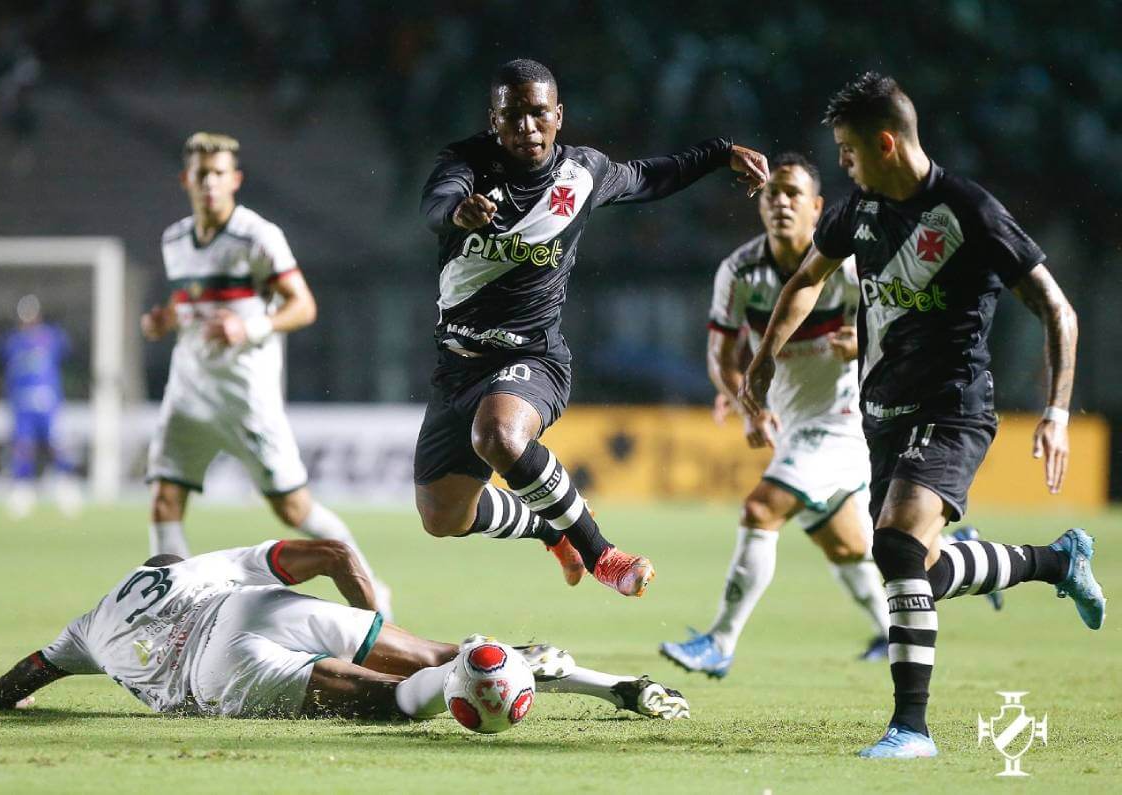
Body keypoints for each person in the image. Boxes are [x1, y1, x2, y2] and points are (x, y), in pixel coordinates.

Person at [739, 72, 1106, 759]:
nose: (842, 165)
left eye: (847, 151)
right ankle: (1055, 562)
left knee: (899, 546)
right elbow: (807, 280)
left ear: (884, 143)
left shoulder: (969, 211)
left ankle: (912, 729)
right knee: (921, 572)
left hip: (953, 405)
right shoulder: (859, 210)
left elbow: (1058, 308)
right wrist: (764, 356)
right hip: (881, 411)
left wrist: (1056, 410)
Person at [415, 58, 769, 597]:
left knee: (498, 435)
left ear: (559, 115)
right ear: (494, 119)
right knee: (441, 516)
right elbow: (437, 200)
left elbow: (654, 176)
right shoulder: (467, 165)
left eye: (538, 114)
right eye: (513, 117)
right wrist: (457, 213)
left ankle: (600, 552)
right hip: (457, 366)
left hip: (532, 357)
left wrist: (720, 153)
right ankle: (549, 526)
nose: (527, 128)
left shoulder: (583, 174)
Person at [0, 539, 689, 722]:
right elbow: (332, 554)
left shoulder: (86, 626)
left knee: (394, 700)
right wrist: (372, 622)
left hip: (216, 671)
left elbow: (13, 680)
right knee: (443, 650)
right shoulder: (202, 566)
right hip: (254, 607)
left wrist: (12, 698)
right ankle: (612, 684)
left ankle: (457, 687)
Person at [659, 153, 891, 677]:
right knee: (850, 546)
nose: (781, 203)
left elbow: (899, 330)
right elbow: (720, 358)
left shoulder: (849, 267)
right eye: (772, 195)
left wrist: (866, 342)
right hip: (792, 426)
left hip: (842, 423)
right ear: (760, 206)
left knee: (761, 510)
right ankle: (902, 619)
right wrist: (747, 403)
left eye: (792, 194)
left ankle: (720, 640)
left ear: (816, 208)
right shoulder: (740, 272)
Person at [141, 132, 391, 616]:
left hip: (246, 396)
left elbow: (303, 305)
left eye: (218, 173)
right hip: (188, 392)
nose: (209, 182)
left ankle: (373, 590)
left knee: (293, 510)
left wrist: (249, 325)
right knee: (164, 501)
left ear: (234, 180)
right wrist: (164, 319)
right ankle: (179, 611)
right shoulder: (174, 240)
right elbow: (191, 299)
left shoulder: (257, 236)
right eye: (200, 173)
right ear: (185, 180)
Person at [0, 294, 81, 519]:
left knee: (58, 445)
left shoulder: (53, 338)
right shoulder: (12, 342)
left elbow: (74, 360)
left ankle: (66, 488)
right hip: (22, 405)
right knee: (23, 447)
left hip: (49, 404)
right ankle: (23, 491)